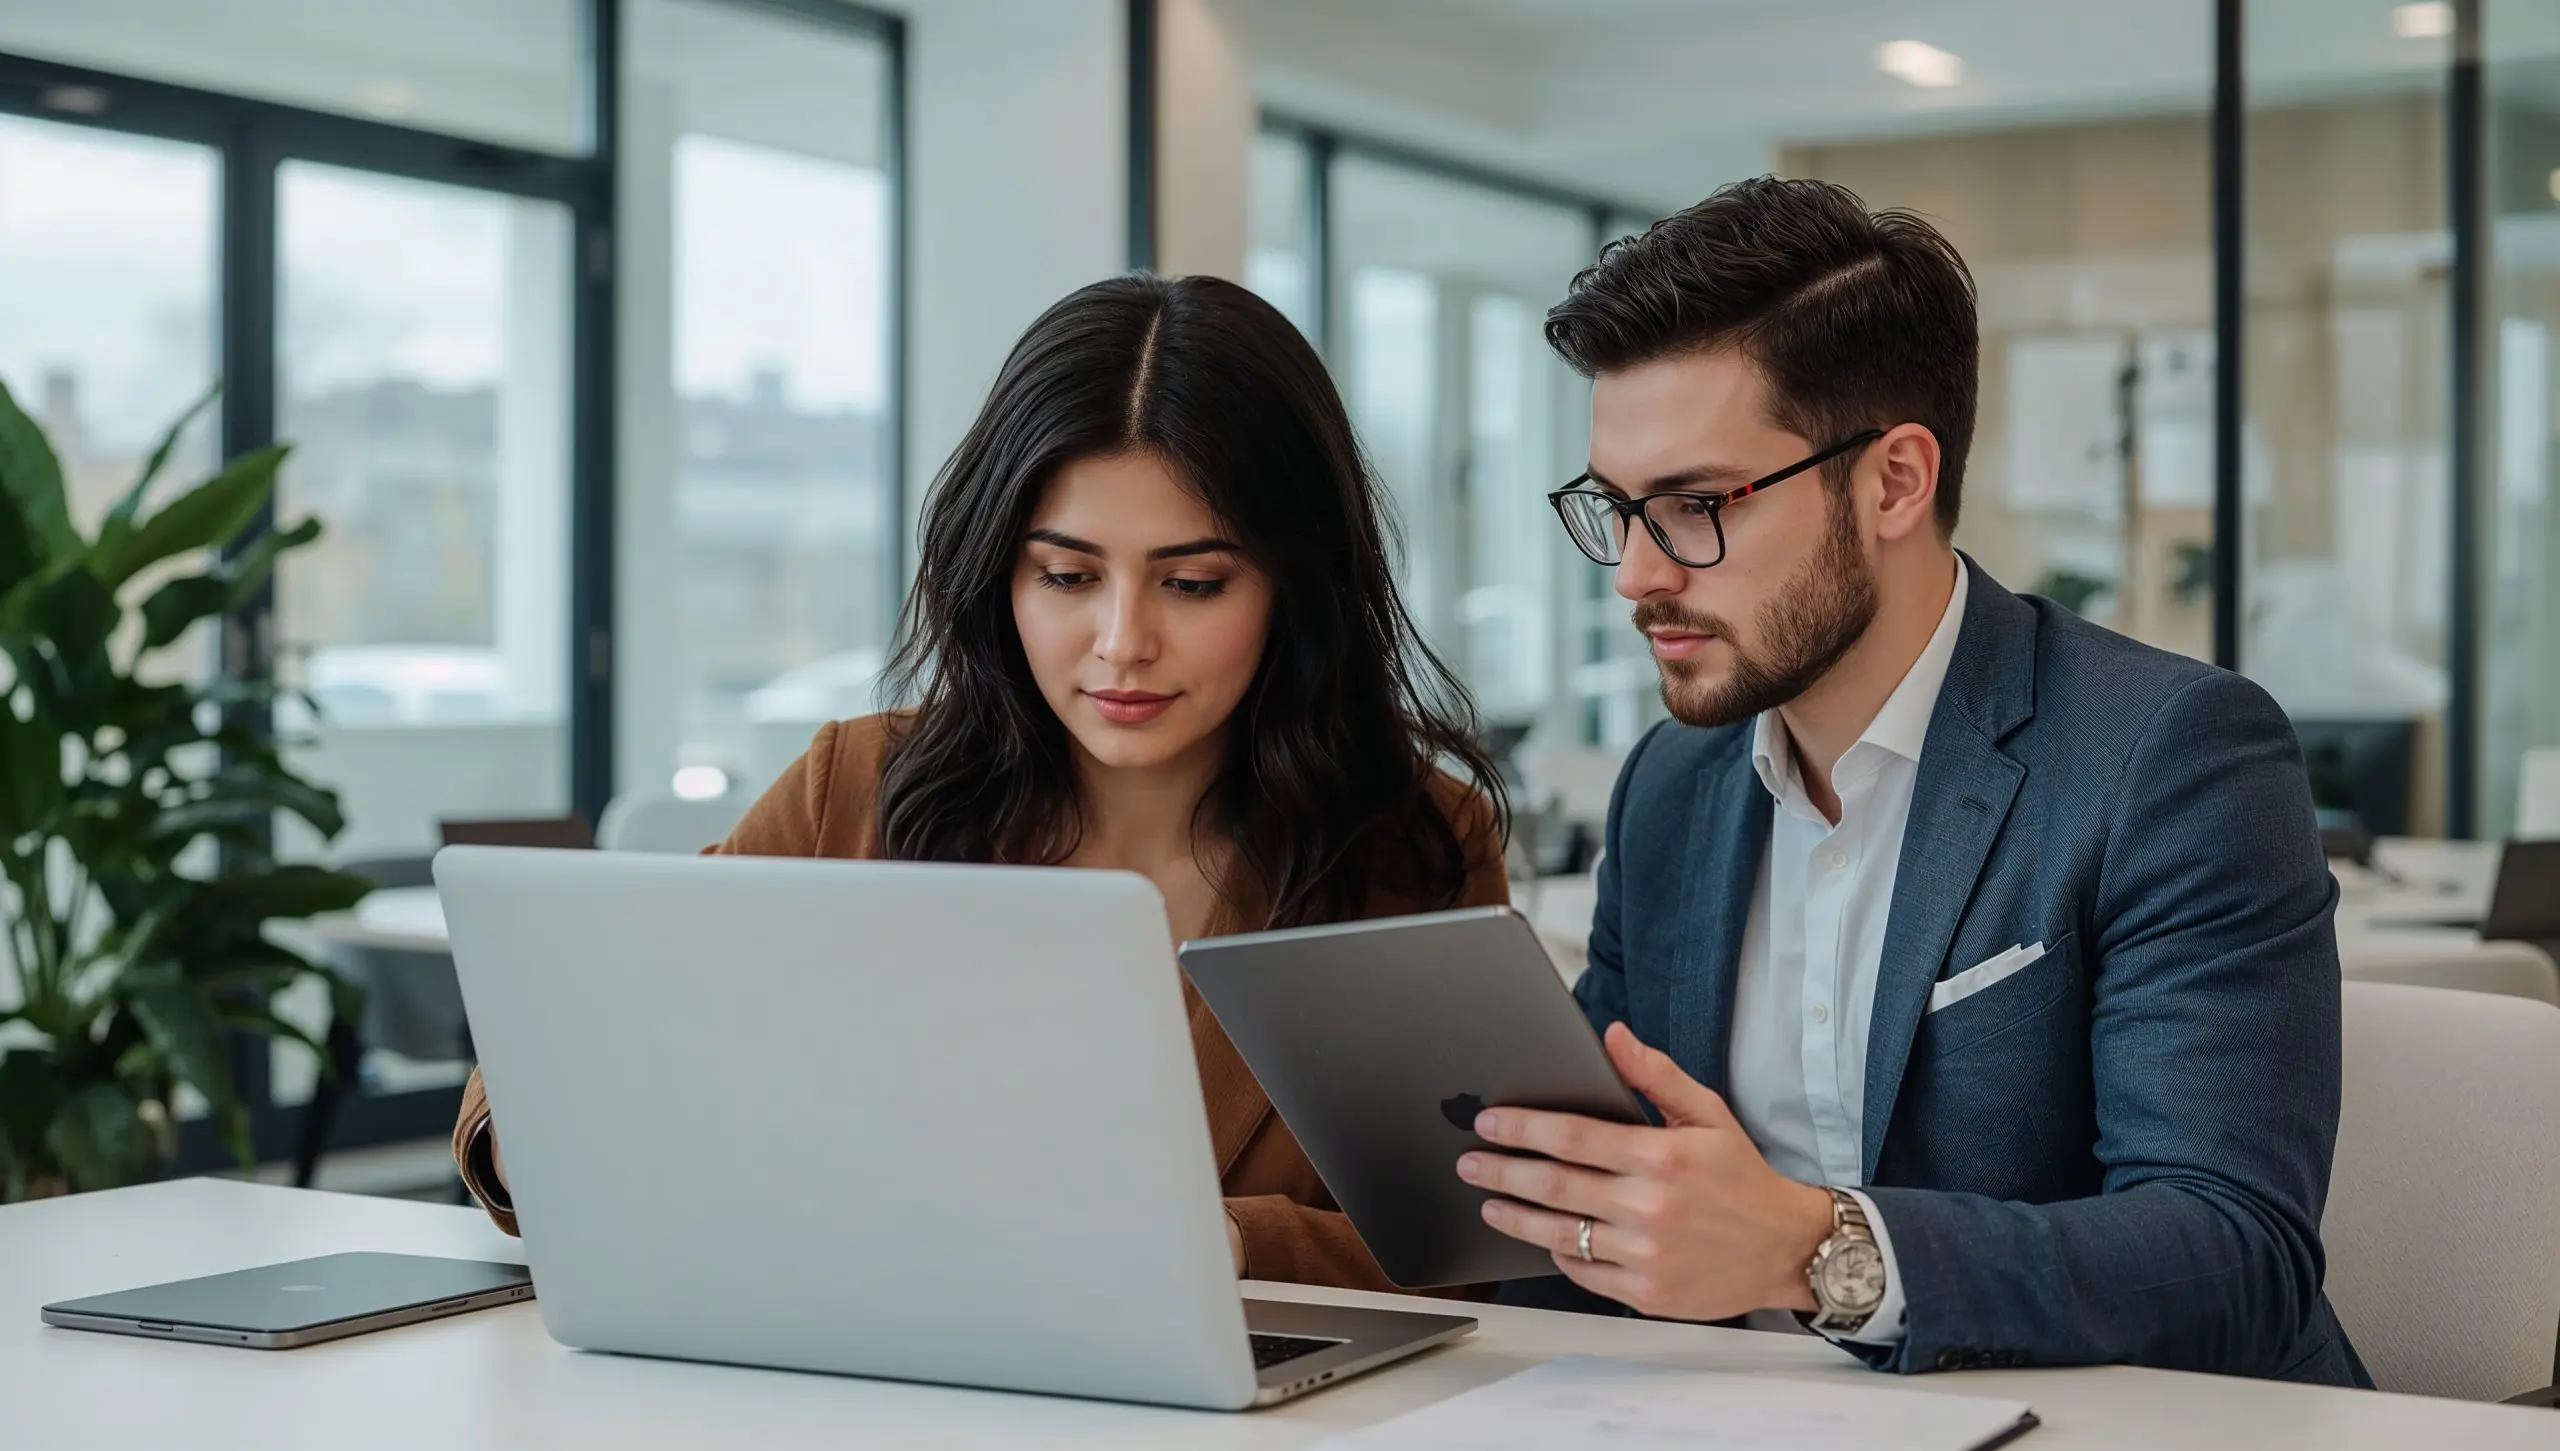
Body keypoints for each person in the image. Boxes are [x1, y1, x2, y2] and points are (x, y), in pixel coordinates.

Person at [1455, 177, 2368, 1385]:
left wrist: (1813, 1251)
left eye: (1692, 506)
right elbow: (1597, 1185)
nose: (1631, 576)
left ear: (1893, 479)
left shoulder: (2170, 754)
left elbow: (2229, 1253)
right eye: (1616, 510)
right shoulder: (1672, 785)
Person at [450, 273, 1509, 1293]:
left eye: (1192, 583)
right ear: (995, 570)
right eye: (1066, 576)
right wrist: (557, 1148)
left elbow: (1473, 1234)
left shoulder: (1412, 841)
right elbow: (544, 1061)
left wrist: (1207, 1240)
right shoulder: (855, 788)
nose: (1121, 642)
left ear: (1297, 584)